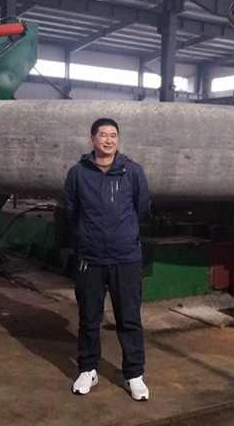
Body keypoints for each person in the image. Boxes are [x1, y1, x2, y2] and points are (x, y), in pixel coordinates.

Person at [64, 117, 150, 401]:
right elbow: (71, 210)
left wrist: (124, 233)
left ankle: (134, 374)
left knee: (129, 318)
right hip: (90, 258)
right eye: (103, 135)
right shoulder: (78, 173)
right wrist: (87, 236)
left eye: (113, 135)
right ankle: (88, 369)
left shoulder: (132, 172)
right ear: (92, 140)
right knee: (89, 317)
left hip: (126, 257)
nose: (109, 140)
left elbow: (141, 207)